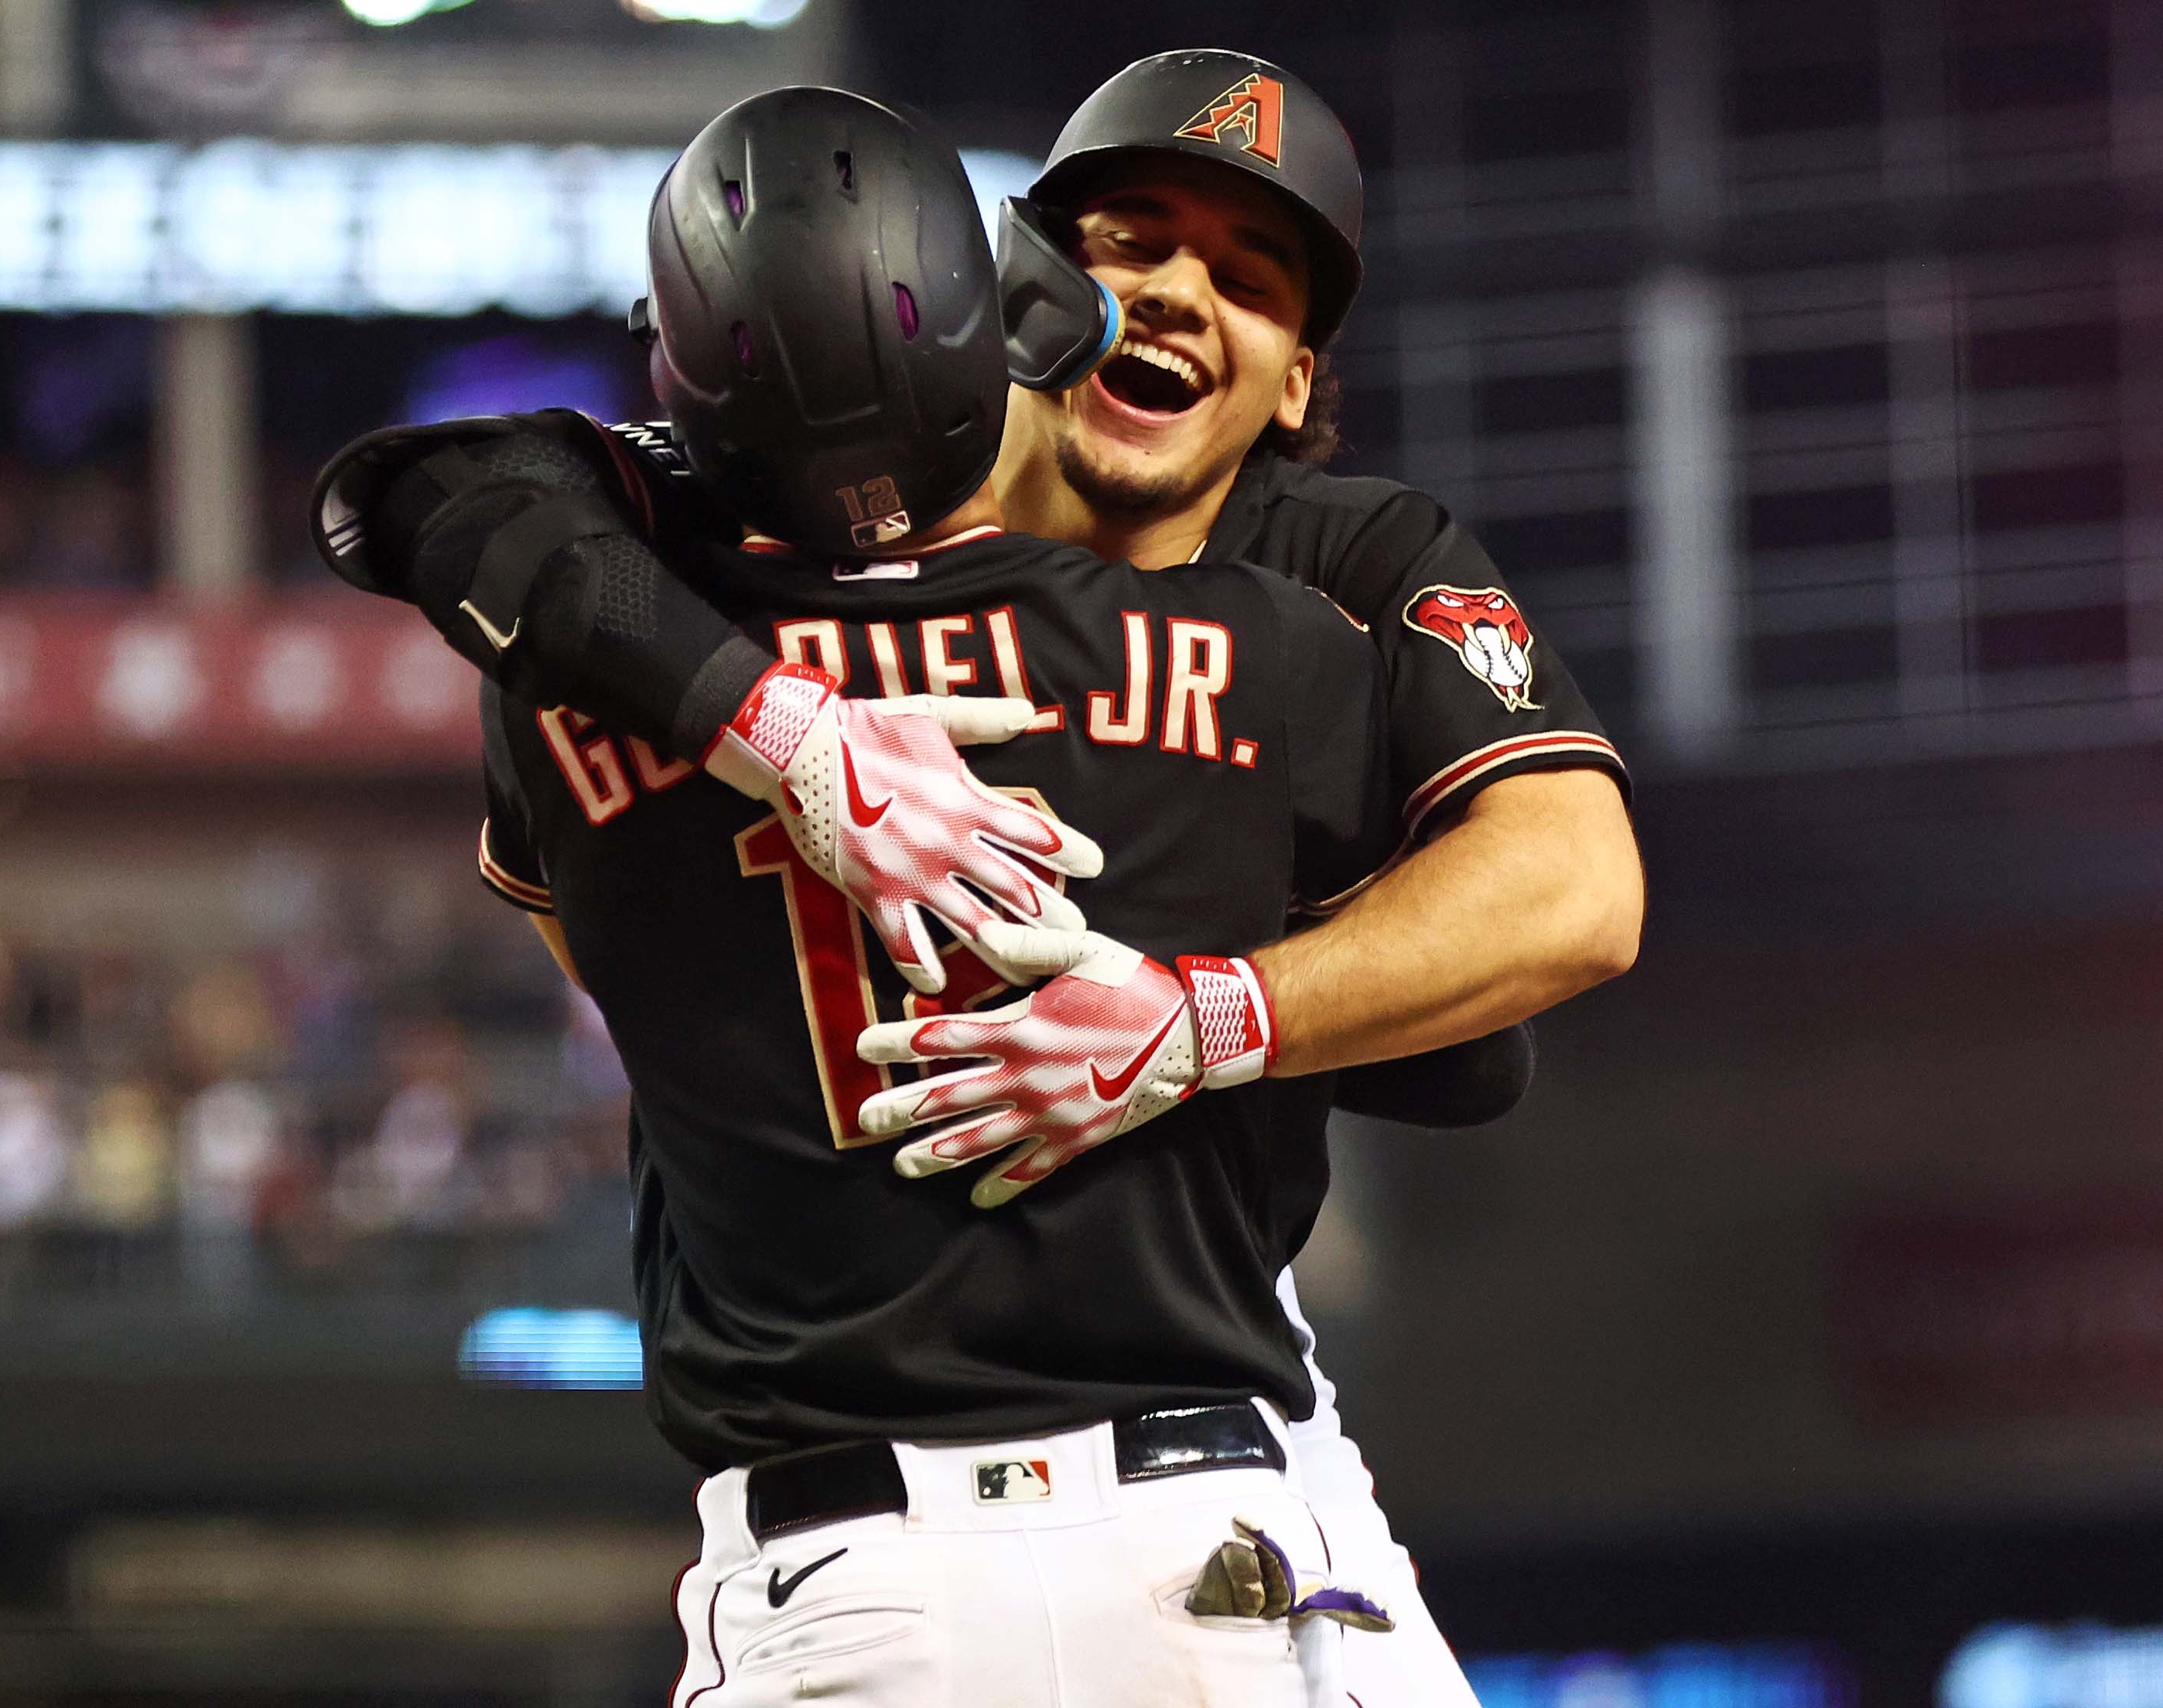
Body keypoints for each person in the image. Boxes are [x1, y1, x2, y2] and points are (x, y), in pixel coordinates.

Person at [321, 53, 1642, 1708]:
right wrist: (785, 731)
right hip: (1105, 1490)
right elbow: (431, 492)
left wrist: (1204, 1008)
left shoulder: (1343, 566)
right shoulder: (749, 537)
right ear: (1011, 289)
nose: (1174, 293)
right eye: (1134, 239)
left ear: (1299, 384)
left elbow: (1571, 903)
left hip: (1209, 1457)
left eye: (1244, 278)